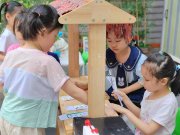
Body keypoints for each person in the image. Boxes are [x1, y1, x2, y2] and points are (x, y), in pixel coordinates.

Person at [0, 5, 87, 135]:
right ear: (42, 31)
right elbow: (75, 92)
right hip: (27, 126)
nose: (54, 41)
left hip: (5, 118)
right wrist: (101, 105)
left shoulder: (11, 55)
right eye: (55, 35)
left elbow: (3, 83)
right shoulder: (47, 61)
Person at [111, 52, 180, 135]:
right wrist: (125, 99)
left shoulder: (168, 103)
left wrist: (125, 111)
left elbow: (148, 130)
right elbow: (143, 115)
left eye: (146, 79)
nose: (143, 82)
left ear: (163, 81)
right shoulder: (149, 92)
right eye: (143, 78)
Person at [105, 24, 147, 107]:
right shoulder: (106, 55)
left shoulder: (140, 59)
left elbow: (145, 79)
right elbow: (103, 74)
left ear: (129, 38)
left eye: (117, 41)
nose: (113, 45)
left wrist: (124, 91)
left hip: (135, 101)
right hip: (113, 97)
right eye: (109, 41)